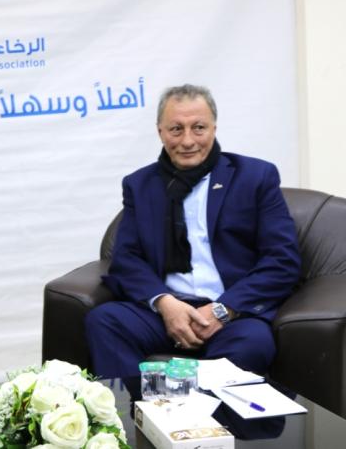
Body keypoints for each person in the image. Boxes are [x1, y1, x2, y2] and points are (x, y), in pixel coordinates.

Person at [85, 84, 301, 386]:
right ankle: (140, 410)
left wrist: (222, 310)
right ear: (160, 132)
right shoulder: (140, 185)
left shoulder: (255, 177)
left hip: (233, 313)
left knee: (253, 343)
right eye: (176, 129)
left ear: (214, 128)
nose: (187, 140)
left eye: (198, 128)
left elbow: (282, 260)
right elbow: (126, 258)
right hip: (166, 312)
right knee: (105, 321)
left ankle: (189, 409)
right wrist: (165, 303)